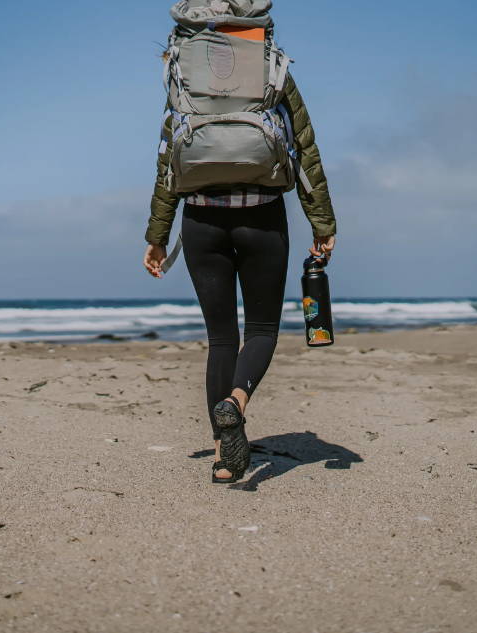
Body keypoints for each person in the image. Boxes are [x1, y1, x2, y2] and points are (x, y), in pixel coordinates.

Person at [143, 0, 337, 483]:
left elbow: (169, 157)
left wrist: (157, 235)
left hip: (201, 220)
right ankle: (236, 402)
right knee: (263, 329)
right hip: (263, 217)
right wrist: (323, 223)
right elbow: (305, 148)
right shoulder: (272, 68)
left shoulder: (185, 72)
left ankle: (220, 456)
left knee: (220, 338)